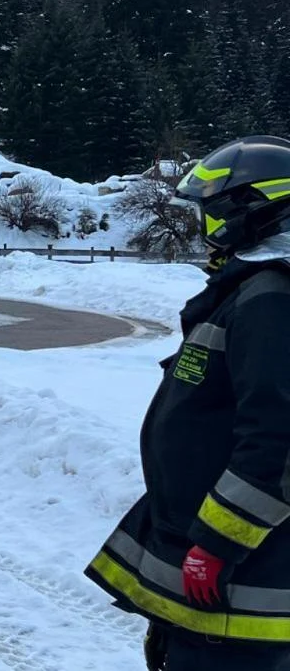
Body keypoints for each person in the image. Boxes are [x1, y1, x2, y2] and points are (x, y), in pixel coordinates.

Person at [85, 135, 290, 670]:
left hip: (245, 573)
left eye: (213, 213)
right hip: (220, 555)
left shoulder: (272, 298)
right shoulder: (251, 289)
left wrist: (219, 544)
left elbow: (279, 440)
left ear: (251, 211)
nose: (206, 227)